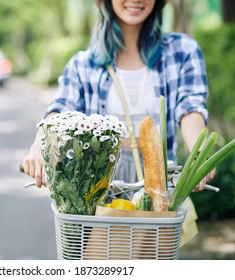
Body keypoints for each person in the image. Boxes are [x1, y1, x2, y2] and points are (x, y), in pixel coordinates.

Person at [22, 0, 216, 191]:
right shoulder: (83, 65)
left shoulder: (182, 50)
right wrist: (41, 144)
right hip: (98, 186)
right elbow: (62, 109)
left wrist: (199, 151)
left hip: (161, 182)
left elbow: (190, 107)